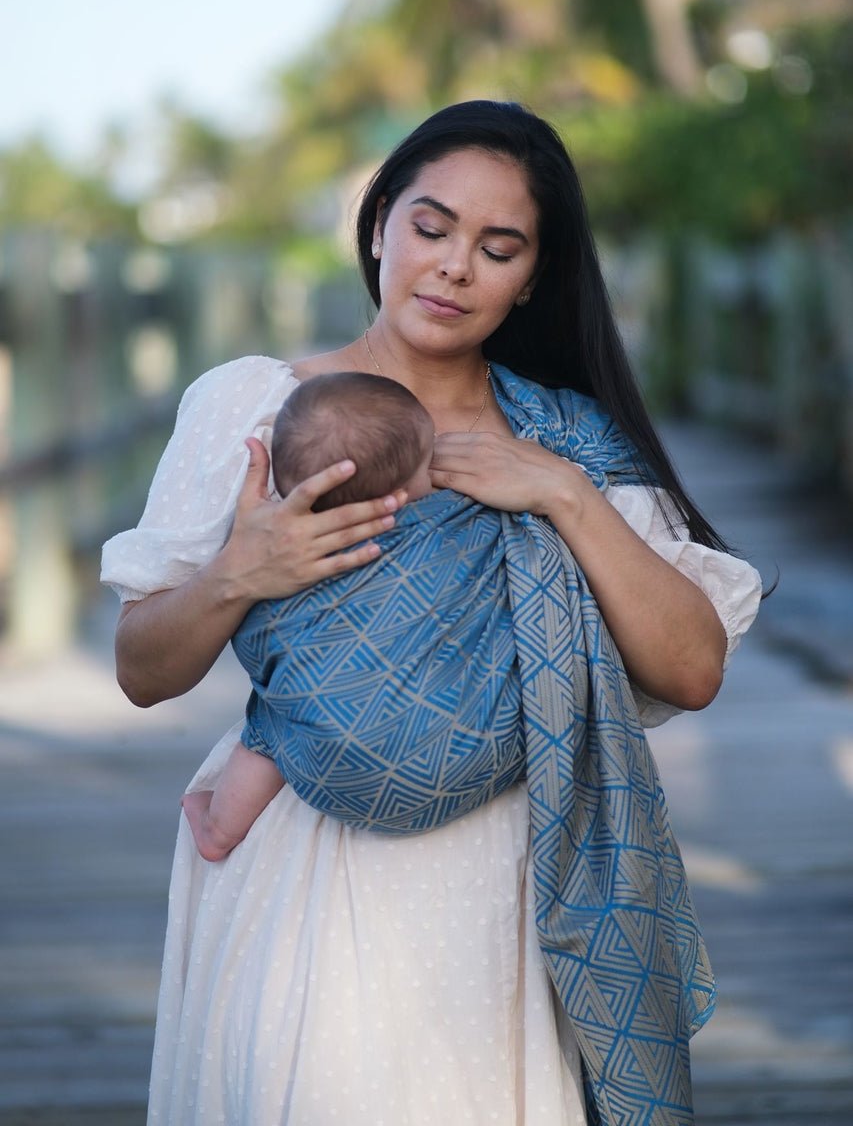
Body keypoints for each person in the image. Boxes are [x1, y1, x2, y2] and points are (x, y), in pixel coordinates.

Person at [101, 100, 763, 1126]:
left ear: (530, 276)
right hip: (302, 865)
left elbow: (692, 669)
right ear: (379, 227)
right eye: (431, 226)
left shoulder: (565, 439)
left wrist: (558, 492)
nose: (454, 266)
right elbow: (142, 668)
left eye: (497, 247)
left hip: (507, 877)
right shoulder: (254, 405)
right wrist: (243, 569)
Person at [182, 370, 436, 862]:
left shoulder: (280, 541)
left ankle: (218, 828)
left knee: (270, 729)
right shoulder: (429, 532)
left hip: (319, 721)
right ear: (399, 494)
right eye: (428, 465)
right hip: (411, 728)